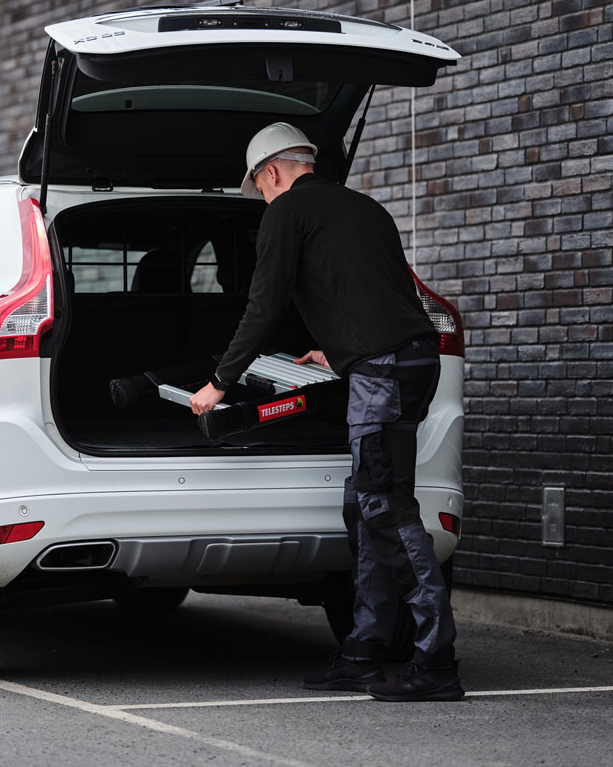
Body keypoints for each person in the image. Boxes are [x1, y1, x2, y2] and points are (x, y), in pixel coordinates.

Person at [189, 121, 463, 702]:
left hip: (382, 374)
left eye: (261, 188)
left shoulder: (286, 210)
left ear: (272, 172)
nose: (264, 199)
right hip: (413, 361)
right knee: (364, 506)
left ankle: (437, 660)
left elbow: (264, 306)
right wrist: (336, 351)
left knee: (384, 508)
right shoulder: (368, 209)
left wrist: (219, 383)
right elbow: (371, 294)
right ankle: (363, 652)